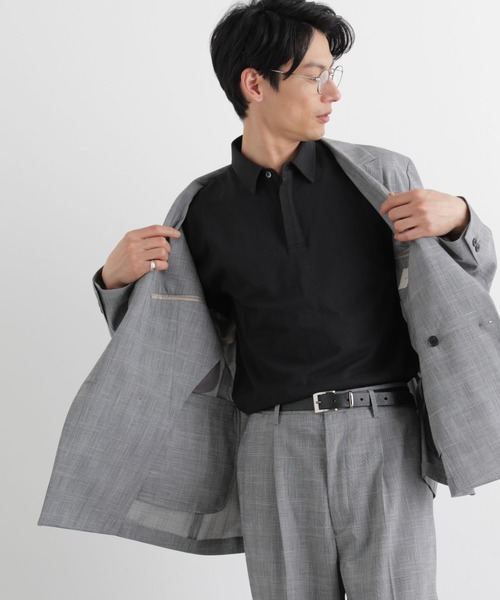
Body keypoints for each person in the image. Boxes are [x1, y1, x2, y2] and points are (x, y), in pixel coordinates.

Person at [39, 1, 500, 599]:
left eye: (332, 72)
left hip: (384, 433)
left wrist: (461, 219)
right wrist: (114, 280)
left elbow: (464, 290)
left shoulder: (381, 177)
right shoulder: (203, 210)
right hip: (272, 445)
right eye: (314, 75)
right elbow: (173, 350)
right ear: (254, 85)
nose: (333, 92)